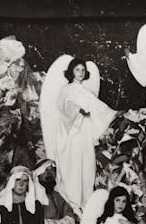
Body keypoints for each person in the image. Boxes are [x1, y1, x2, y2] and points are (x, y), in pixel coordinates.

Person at [40, 56, 116, 208]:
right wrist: (78, 110)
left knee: (86, 165)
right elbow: (62, 108)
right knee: (73, 166)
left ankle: (85, 203)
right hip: (71, 135)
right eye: (77, 70)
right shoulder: (67, 89)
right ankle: (71, 203)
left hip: (85, 133)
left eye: (83, 70)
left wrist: (114, 113)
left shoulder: (85, 91)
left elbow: (98, 107)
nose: (80, 73)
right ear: (71, 72)